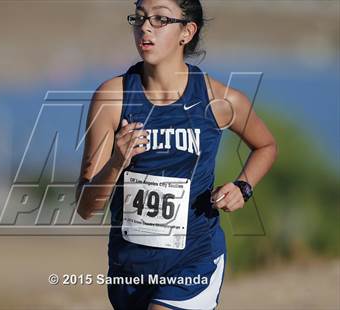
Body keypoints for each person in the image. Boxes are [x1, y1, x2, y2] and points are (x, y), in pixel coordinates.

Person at [75, 0, 278, 309]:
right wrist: (116, 163)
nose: (144, 26)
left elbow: (266, 146)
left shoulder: (218, 99)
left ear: (187, 31)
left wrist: (243, 187)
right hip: (129, 271)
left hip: (195, 261)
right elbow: (86, 207)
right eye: (140, 18)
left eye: (159, 19)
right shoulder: (113, 98)